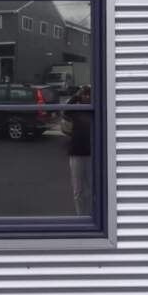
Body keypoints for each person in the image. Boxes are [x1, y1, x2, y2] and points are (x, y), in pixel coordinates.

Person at [66, 85, 92, 216]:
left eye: (89, 94)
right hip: (76, 154)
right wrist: (77, 93)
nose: (86, 97)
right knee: (78, 190)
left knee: (92, 189)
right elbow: (65, 111)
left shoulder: (93, 111)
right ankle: (80, 216)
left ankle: (92, 215)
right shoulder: (76, 110)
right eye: (84, 94)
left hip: (92, 155)